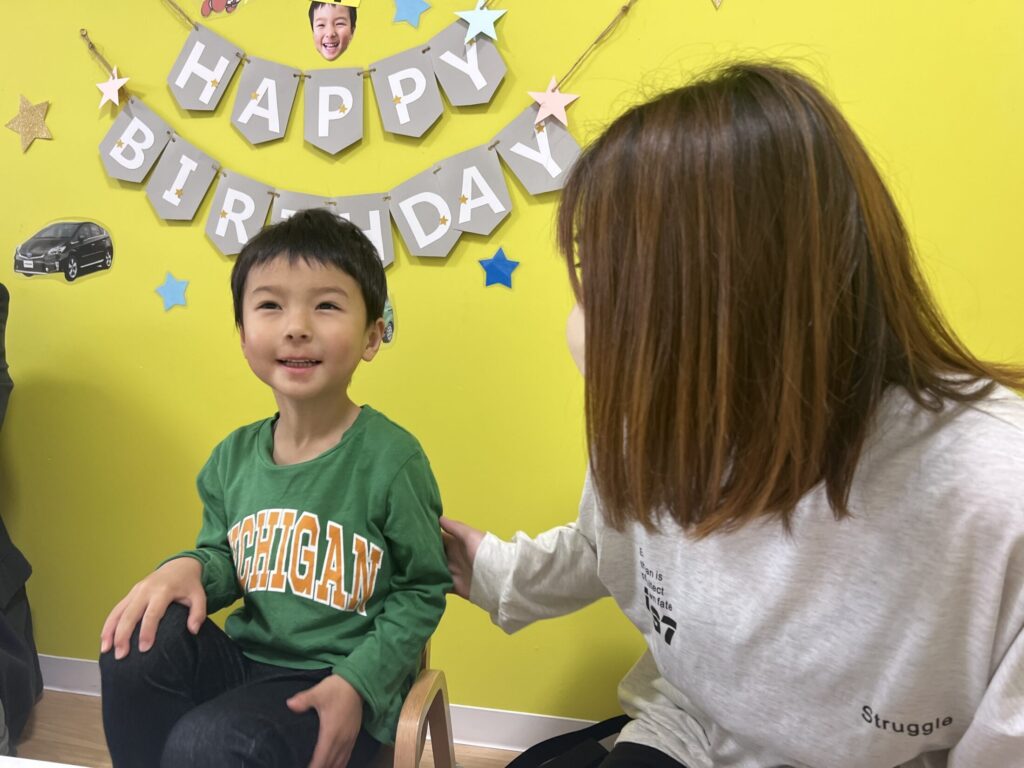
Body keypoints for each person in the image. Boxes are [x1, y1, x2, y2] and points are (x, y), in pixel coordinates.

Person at [441, 63, 1024, 768]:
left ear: (734, 289)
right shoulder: (651, 415)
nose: (584, 321)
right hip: (686, 730)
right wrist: (491, 571)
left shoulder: (995, 496)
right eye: (590, 273)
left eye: (616, 279)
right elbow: (607, 546)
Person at [99, 209, 451, 768]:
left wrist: (359, 682)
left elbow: (422, 590)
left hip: (336, 685)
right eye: (270, 305)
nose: (296, 326)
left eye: (326, 305)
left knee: (206, 742)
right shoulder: (232, 457)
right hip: (245, 668)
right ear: (243, 336)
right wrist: (188, 567)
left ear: (372, 335)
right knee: (136, 642)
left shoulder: (393, 459)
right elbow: (226, 558)